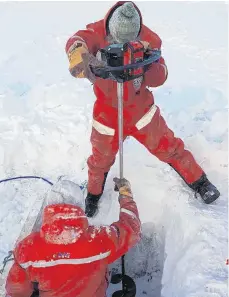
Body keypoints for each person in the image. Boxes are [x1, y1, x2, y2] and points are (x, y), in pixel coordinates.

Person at [65, 1, 220, 217]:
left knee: (169, 147)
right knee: (100, 159)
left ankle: (200, 182)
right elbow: (77, 40)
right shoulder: (96, 32)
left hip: (141, 111)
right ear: (110, 29)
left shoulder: (150, 40)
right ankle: (93, 194)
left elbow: (161, 75)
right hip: (107, 113)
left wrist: (146, 68)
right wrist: (77, 52)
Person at [5, 178, 141, 297]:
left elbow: (17, 290)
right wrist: (126, 195)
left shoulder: (27, 247)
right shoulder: (100, 239)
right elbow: (132, 228)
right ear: (79, 206)